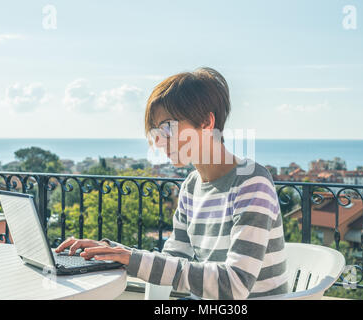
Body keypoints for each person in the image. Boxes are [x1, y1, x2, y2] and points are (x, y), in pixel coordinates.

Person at [55, 67, 289, 299]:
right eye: (155, 131)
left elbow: (234, 285)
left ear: (207, 122)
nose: (159, 141)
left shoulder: (251, 181)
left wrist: (130, 258)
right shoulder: (191, 186)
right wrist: (111, 251)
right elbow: (173, 260)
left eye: (168, 127)